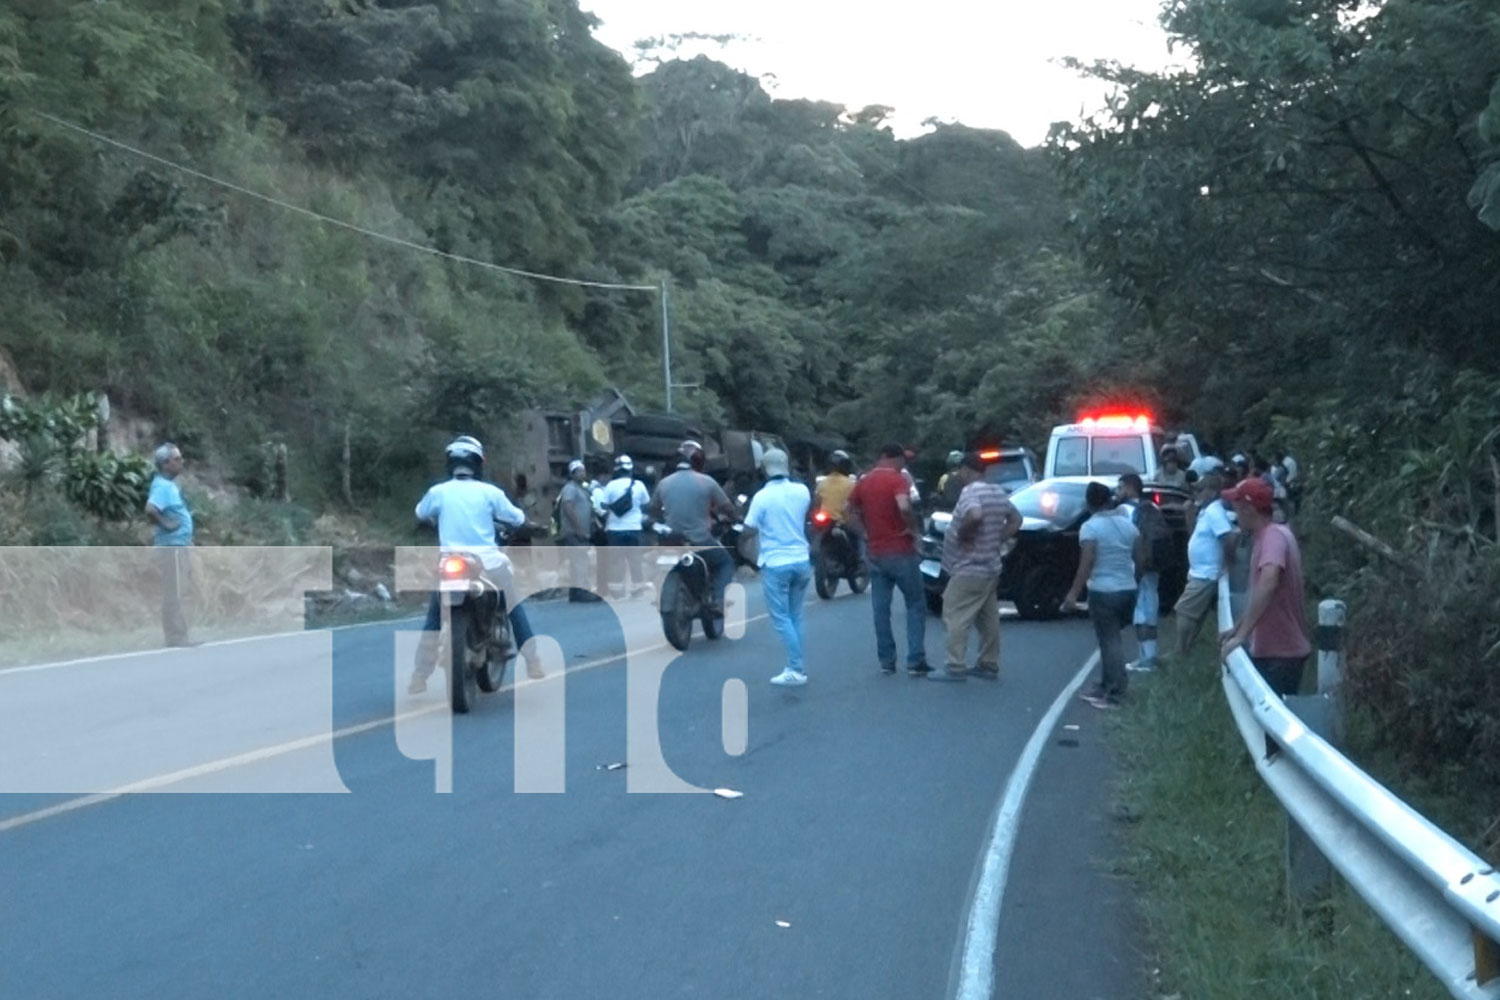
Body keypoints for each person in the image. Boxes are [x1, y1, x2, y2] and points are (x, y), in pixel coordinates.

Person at [409, 436, 544, 694]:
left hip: (449, 563)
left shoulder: (439, 492)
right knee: (513, 603)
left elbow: (420, 513)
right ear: (478, 463)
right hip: (488, 563)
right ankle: (533, 659)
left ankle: (419, 675)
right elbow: (517, 518)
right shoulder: (489, 492)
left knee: (435, 615)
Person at [1219, 477, 1311, 696]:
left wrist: (1242, 636)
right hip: (1278, 651)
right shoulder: (1276, 534)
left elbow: (1269, 582)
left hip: (1281, 653)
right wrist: (1238, 627)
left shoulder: (1272, 538)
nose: (1234, 513)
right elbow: (1262, 590)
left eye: (1237, 506)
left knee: (1271, 725)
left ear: (1249, 508)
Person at [936, 452, 1021, 681]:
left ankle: (955, 665)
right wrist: (998, 538)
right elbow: (1016, 519)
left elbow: (974, 515)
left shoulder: (971, 491)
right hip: (991, 565)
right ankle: (988, 663)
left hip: (969, 566)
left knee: (954, 612)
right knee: (988, 618)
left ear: (965, 469)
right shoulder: (996, 491)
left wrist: (964, 534)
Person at [847, 442, 929, 675]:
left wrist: (864, 533)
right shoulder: (897, 479)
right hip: (901, 551)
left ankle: (887, 660)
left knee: (881, 609)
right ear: (893, 459)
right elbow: (904, 506)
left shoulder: (863, 481)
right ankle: (915, 659)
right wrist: (912, 530)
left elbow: (848, 511)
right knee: (915, 604)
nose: (904, 463)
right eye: (902, 459)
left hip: (875, 552)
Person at [1062, 481, 1142, 710]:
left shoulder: (1090, 528)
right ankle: (1106, 683)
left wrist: (1073, 594)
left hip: (1103, 590)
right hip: (1127, 588)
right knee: (1112, 637)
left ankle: (1116, 691)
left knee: (1110, 641)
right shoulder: (1128, 525)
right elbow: (1141, 557)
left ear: (1088, 503)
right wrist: (1134, 580)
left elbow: (1086, 562)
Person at [743, 448, 813, 686]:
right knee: (796, 615)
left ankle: (796, 668)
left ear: (764, 468)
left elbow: (749, 529)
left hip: (776, 563)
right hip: (802, 560)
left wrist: (742, 542)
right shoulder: (802, 491)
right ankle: (797, 664)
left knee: (781, 618)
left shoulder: (762, 497)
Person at [649, 440, 740, 615]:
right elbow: (727, 507)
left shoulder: (663, 483)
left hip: (671, 540)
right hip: (699, 539)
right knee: (726, 563)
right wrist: (736, 518)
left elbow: (652, 511)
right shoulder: (707, 482)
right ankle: (718, 600)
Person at [1171, 469, 1237, 660]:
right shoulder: (1206, 511)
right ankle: (1185, 650)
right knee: (1194, 614)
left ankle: (1180, 650)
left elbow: (1228, 537)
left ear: (1212, 491)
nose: (1197, 493)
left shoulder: (1215, 512)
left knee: (1184, 610)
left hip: (1206, 573)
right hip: (1201, 571)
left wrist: (1227, 562)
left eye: (1201, 490)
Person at [145, 442, 196, 648]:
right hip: (172, 547)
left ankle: (178, 635)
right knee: (174, 591)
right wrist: (166, 523)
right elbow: (150, 509)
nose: (181, 462)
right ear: (165, 464)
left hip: (178, 545)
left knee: (177, 589)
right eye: (177, 459)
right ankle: (176, 637)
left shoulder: (167, 486)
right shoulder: (163, 487)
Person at [1116, 473, 1164, 673]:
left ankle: (1147, 660)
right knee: (1149, 610)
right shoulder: (1150, 508)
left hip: (1137, 567)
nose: (1117, 493)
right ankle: (1147, 656)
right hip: (1152, 565)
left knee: (1142, 614)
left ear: (1129, 488)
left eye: (1120, 488)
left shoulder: (1124, 511)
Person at [600, 455, 652, 598]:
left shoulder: (611, 485)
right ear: (630, 470)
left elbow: (603, 505)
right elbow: (646, 503)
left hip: (615, 530)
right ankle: (637, 588)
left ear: (617, 470)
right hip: (634, 528)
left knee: (617, 561)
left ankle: (617, 590)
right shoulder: (639, 485)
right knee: (635, 560)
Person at [557, 459, 601, 603]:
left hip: (583, 531)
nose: (583, 473)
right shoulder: (570, 488)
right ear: (572, 474)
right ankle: (582, 592)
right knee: (579, 561)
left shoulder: (583, 489)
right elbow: (568, 507)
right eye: (579, 471)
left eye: (583, 470)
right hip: (574, 532)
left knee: (579, 560)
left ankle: (575, 592)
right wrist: (578, 528)